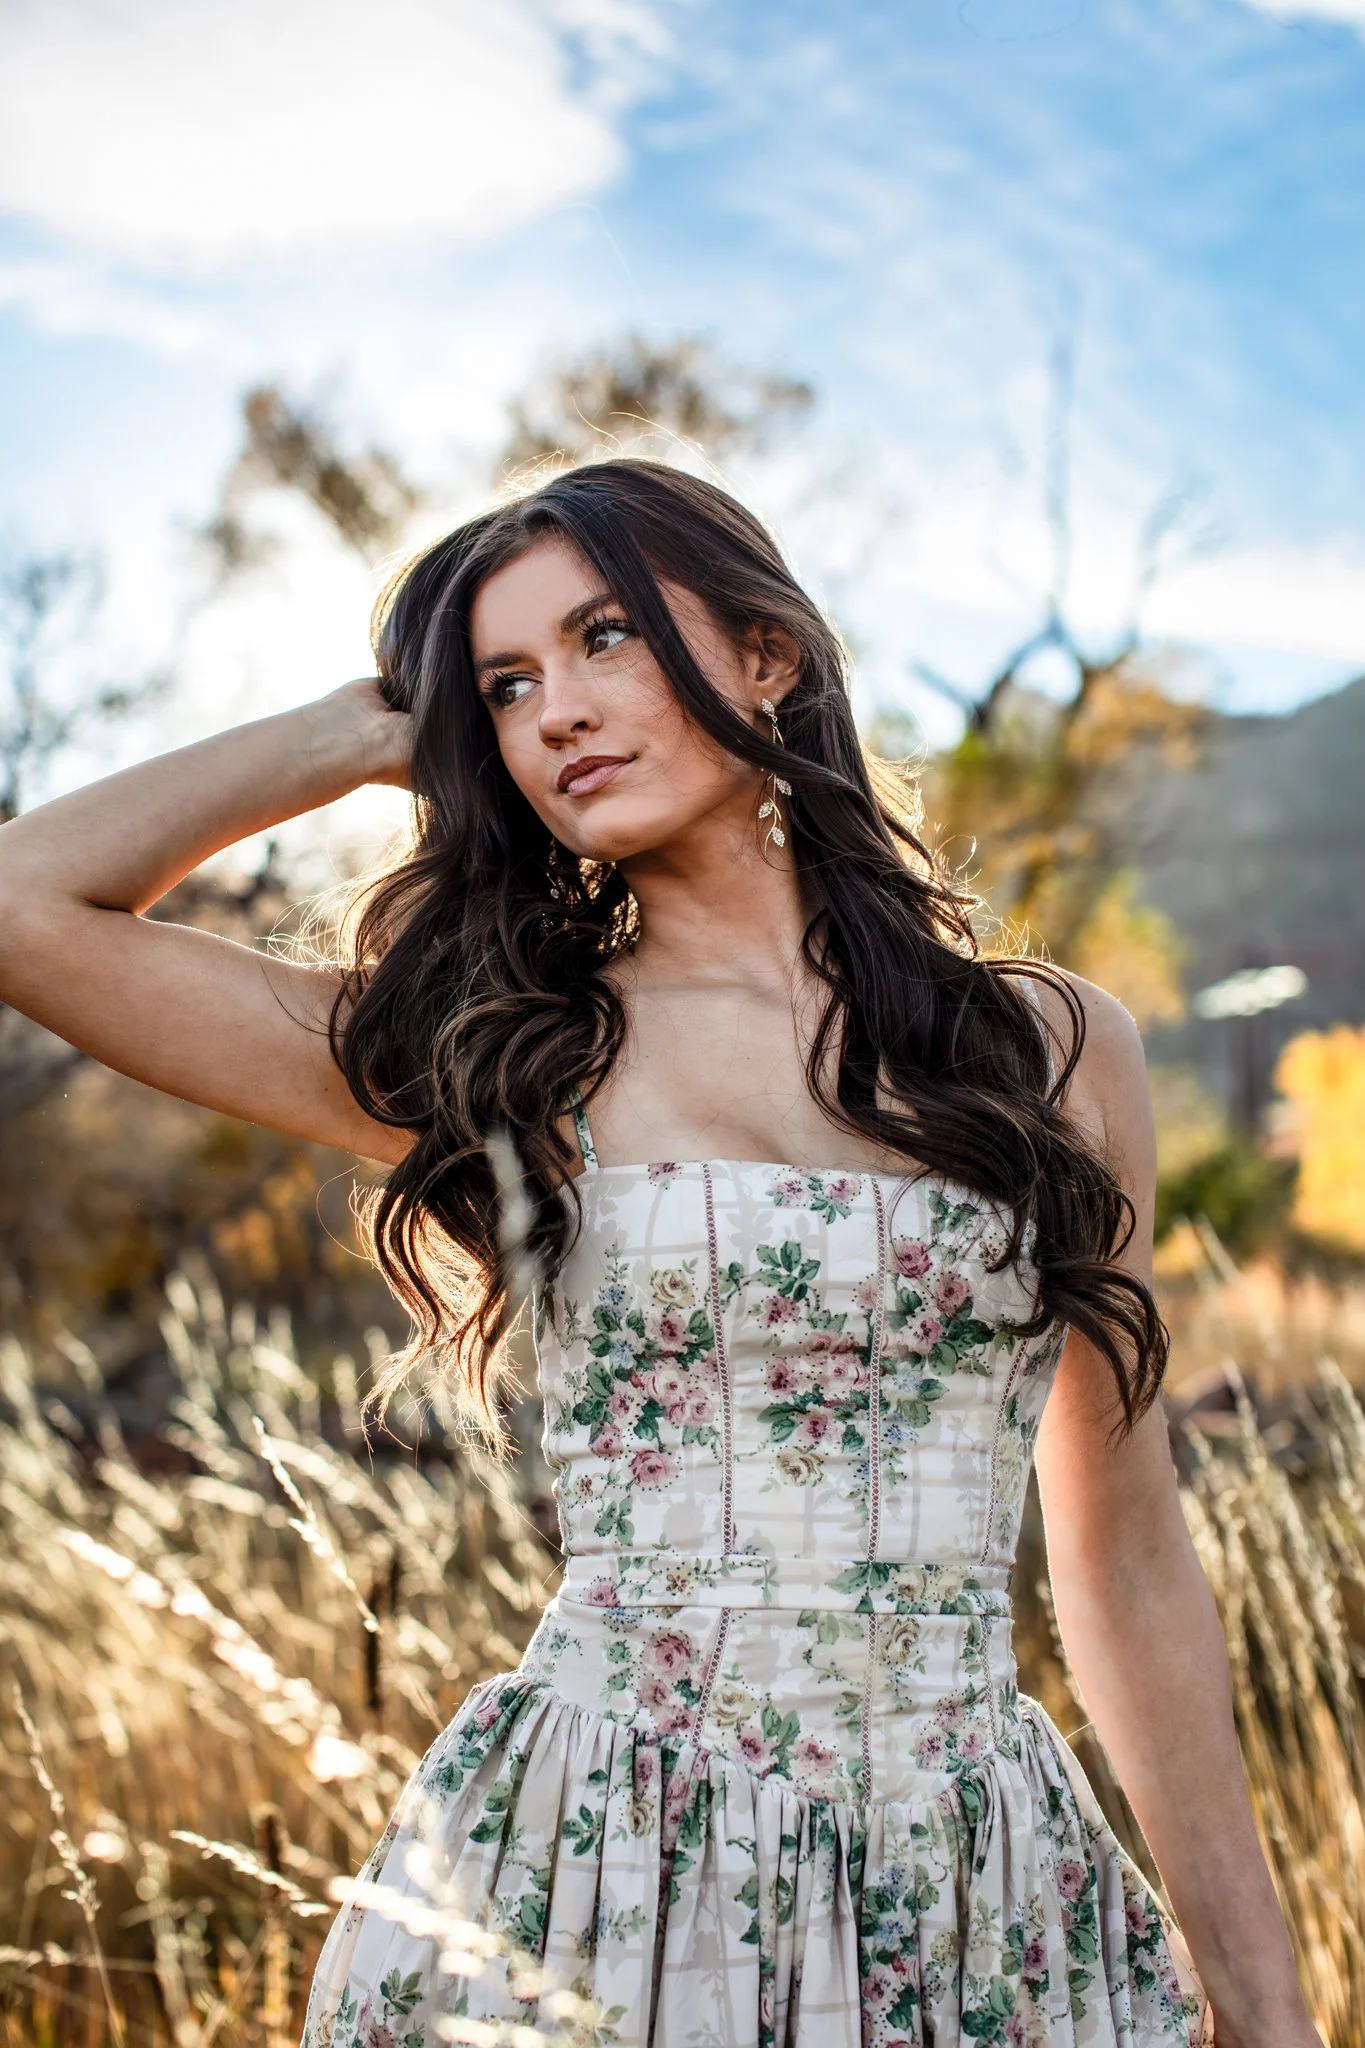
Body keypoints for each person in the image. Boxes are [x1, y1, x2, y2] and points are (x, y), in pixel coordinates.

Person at [0, 460, 1319, 2048]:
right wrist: (352, 733)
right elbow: (26, 905)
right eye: (505, 685)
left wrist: (1266, 1999)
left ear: (768, 656)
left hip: (974, 1889)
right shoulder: (505, 1051)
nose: (554, 710)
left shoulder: (1049, 1049)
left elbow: (1126, 1558)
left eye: (607, 636)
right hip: (605, 1871)